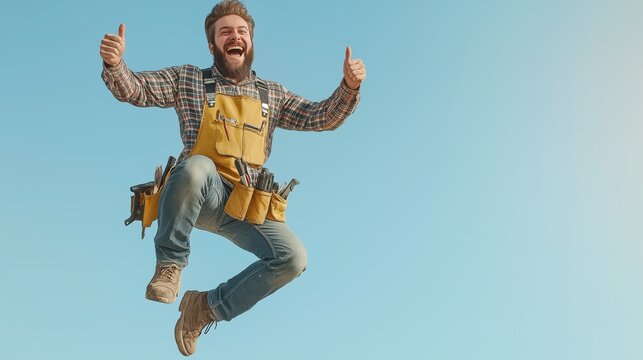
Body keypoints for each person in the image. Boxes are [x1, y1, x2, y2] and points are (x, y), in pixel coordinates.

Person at [100, 0, 365, 356]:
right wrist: (116, 65)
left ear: (251, 42)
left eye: (241, 32)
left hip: (244, 205)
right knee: (197, 166)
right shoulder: (189, 80)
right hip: (199, 192)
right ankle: (169, 265)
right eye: (225, 32)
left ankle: (205, 308)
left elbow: (320, 117)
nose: (234, 36)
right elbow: (136, 89)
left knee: (293, 257)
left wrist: (348, 87)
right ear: (213, 45)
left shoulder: (272, 94)